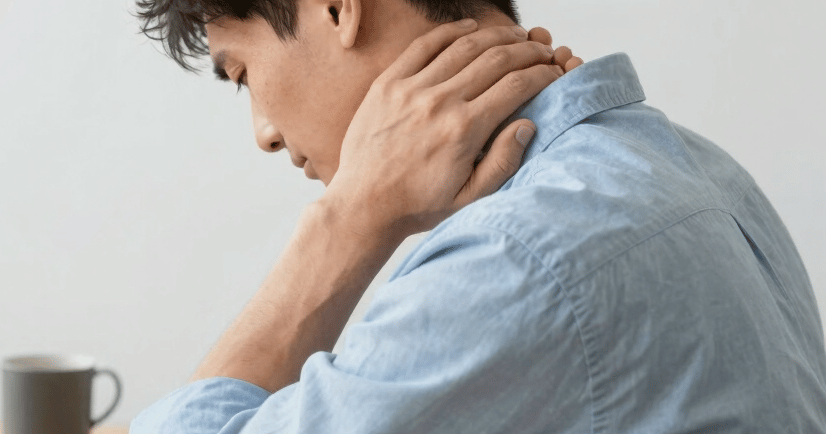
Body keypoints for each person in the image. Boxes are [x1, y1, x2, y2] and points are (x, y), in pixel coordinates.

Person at [129, 0, 826, 431]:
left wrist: (342, 225)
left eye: (242, 72)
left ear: (337, 8)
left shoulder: (518, 257)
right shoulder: (703, 169)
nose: (264, 133)